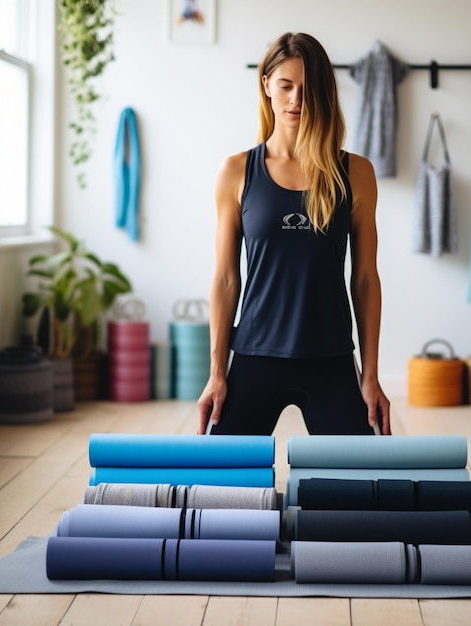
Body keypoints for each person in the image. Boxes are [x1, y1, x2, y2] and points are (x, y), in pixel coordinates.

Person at [197, 32, 391, 436]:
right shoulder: (236, 172)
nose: (295, 100)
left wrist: (370, 375)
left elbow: (366, 279)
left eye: (307, 88)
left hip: (331, 357)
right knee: (221, 493)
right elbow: (225, 278)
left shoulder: (355, 173)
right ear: (266, 84)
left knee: (359, 494)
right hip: (253, 354)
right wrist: (217, 373)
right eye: (285, 86)